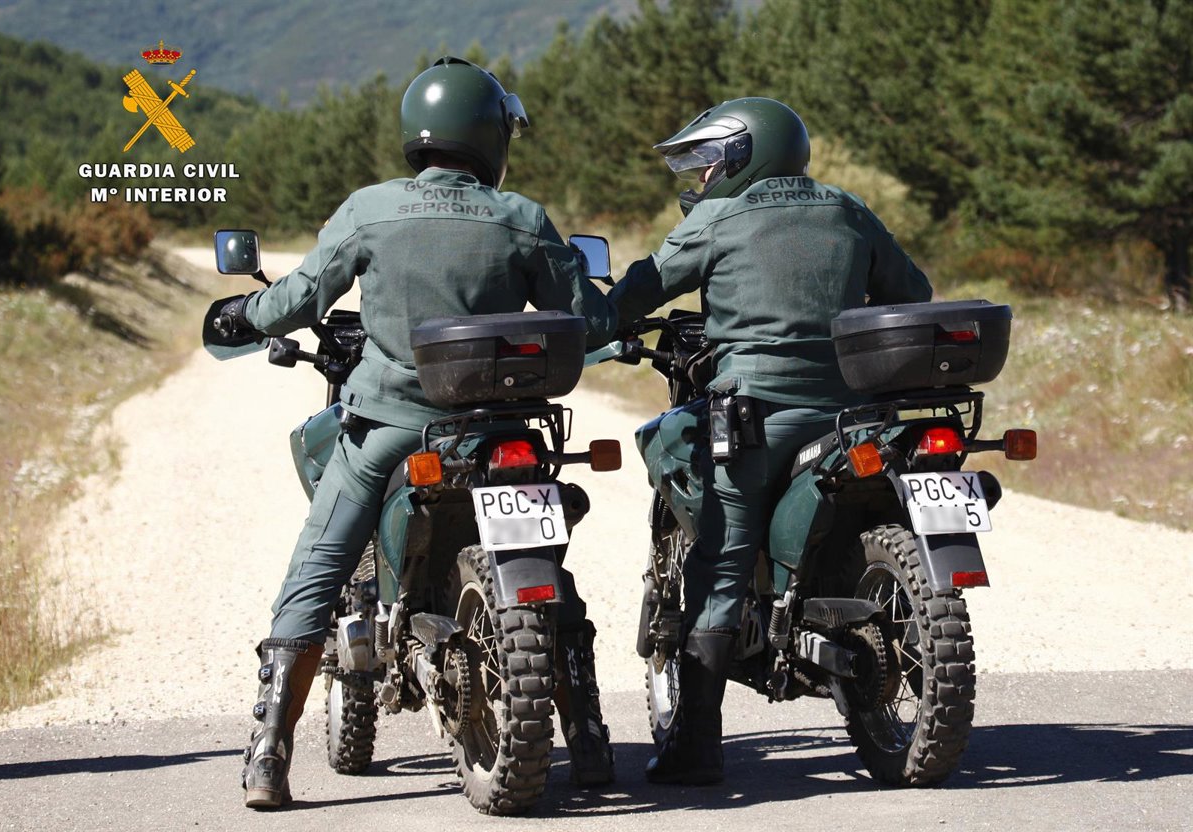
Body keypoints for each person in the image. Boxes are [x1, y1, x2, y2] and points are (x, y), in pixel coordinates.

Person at [213, 56, 618, 809]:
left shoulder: (370, 209)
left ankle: (269, 750)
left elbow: (299, 297)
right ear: (490, 136)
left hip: (390, 431)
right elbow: (591, 321)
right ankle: (589, 737)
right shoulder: (523, 218)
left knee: (319, 566)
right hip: (499, 433)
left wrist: (245, 314)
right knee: (549, 570)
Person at [607, 97, 933, 785]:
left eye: (707, 164)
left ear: (741, 157)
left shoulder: (720, 218)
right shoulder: (847, 209)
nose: (701, 178)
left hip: (757, 415)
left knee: (720, 565)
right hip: (853, 417)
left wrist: (593, 322)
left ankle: (696, 746)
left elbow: (639, 291)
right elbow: (913, 291)